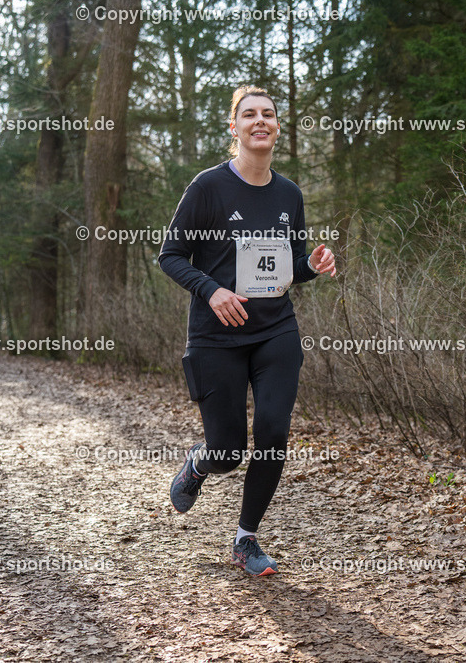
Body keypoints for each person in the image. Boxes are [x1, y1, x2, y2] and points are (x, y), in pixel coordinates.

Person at [158, 85, 336, 576]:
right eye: (250, 114)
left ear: (277, 127)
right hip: (216, 336)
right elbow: (170, 255)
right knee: (228, 451)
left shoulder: (288, 194)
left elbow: (288, 267)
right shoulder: (207, 187)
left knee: (274, 432)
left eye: (270, 115)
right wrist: (211, 290)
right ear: (233, 127)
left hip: (276, 330)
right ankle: (200, 464)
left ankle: (246, 539)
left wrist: (313, 264)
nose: (261, 121)